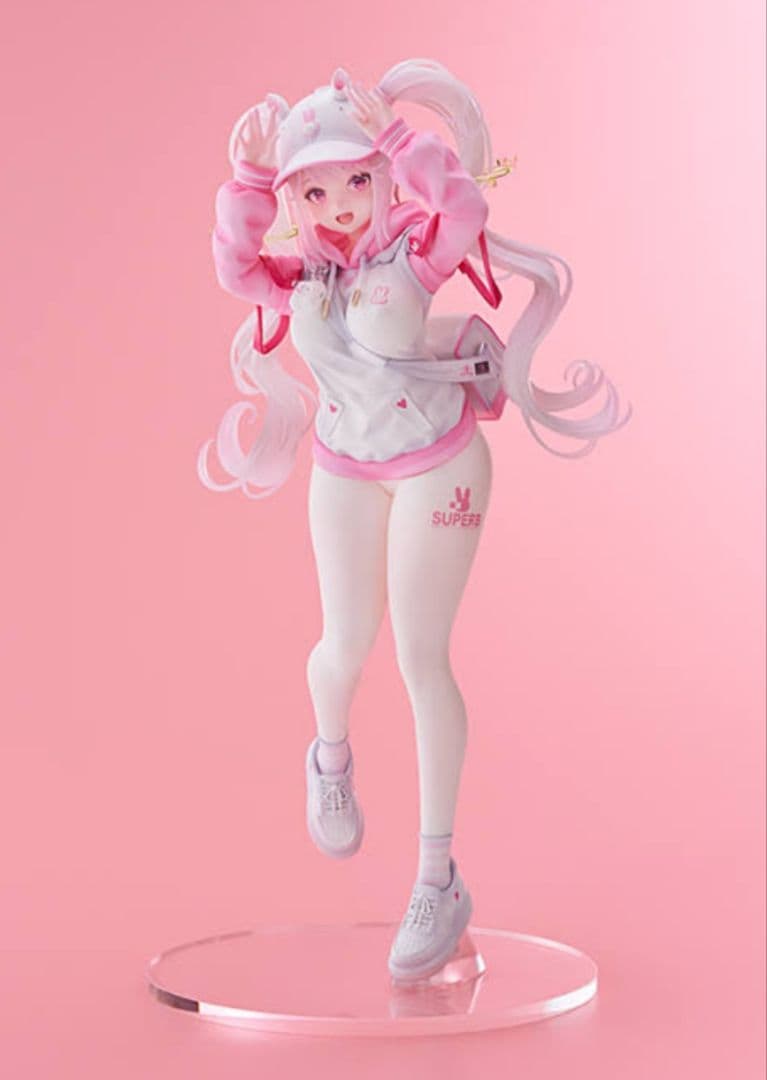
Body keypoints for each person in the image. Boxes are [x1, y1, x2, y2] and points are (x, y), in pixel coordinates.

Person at [202, 59, 631, 983]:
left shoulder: (413, 252)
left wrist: (399, 138)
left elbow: (465, 210)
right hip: (344, 468)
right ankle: (329, 757)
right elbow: (235, 268)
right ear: (295, 200)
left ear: (381, 176)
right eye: (315, 190)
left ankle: (437, 878)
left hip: (439, 463)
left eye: (355, 181)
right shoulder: (301, 278)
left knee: (420, 661)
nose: (339, 206)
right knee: (340, 648)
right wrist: (246, 180)